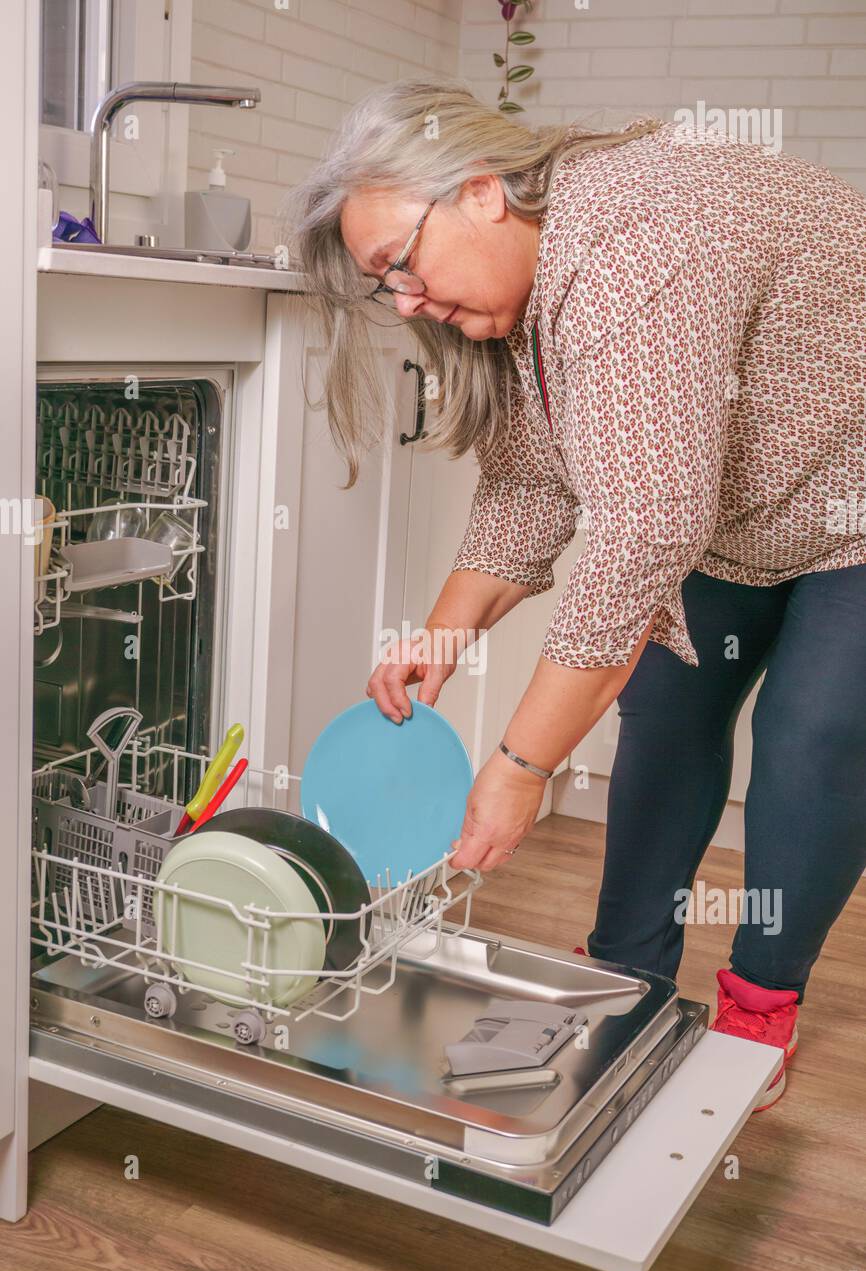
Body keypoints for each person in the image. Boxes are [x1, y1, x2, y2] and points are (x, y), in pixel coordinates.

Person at [284, 80, 866, 1111]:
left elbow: (642, 526)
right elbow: (526, 482)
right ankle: (623, 972)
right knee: (664, 709)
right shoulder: (525, 296)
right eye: (387, 287)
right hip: (738, 505)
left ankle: (757, 1004)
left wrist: (519, 765)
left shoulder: (634, 244)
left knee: (811, 737)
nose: (406, 301)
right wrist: (440, 637)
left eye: (398, 265)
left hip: (850, 498)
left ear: (477, 195)